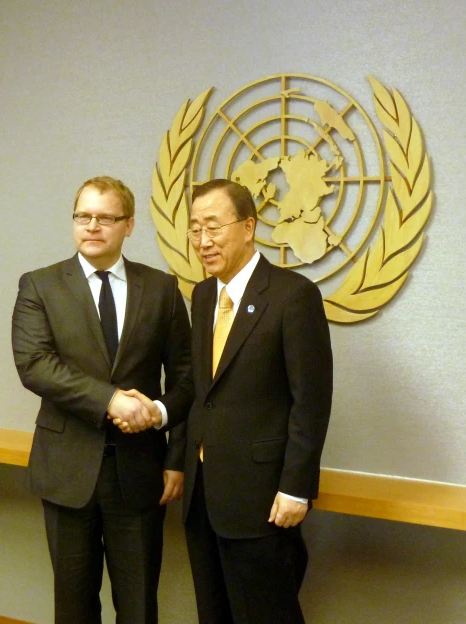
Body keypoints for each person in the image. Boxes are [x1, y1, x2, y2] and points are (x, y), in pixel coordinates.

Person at [11, 176, 193, 624]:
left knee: (138, 606)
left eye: (105, 217)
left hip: (140, 472)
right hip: (67, 470)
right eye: (82, 216)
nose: (92, 226)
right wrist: (111, 400)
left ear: (129, 225)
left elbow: (188, 378)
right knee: (73, 607)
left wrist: (165, 431)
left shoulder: (163, 289)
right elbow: (34, 364)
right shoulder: (40, 285)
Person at [182, 179, 333, 624]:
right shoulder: (202, 295)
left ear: (248, 227)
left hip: (262, 499)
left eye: (213, 227)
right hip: (203, 493)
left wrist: (296, 487)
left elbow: (311, 400)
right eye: (194, 229)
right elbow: (202, 395)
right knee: (214, 613)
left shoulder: (292, 295)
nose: (203, 241)